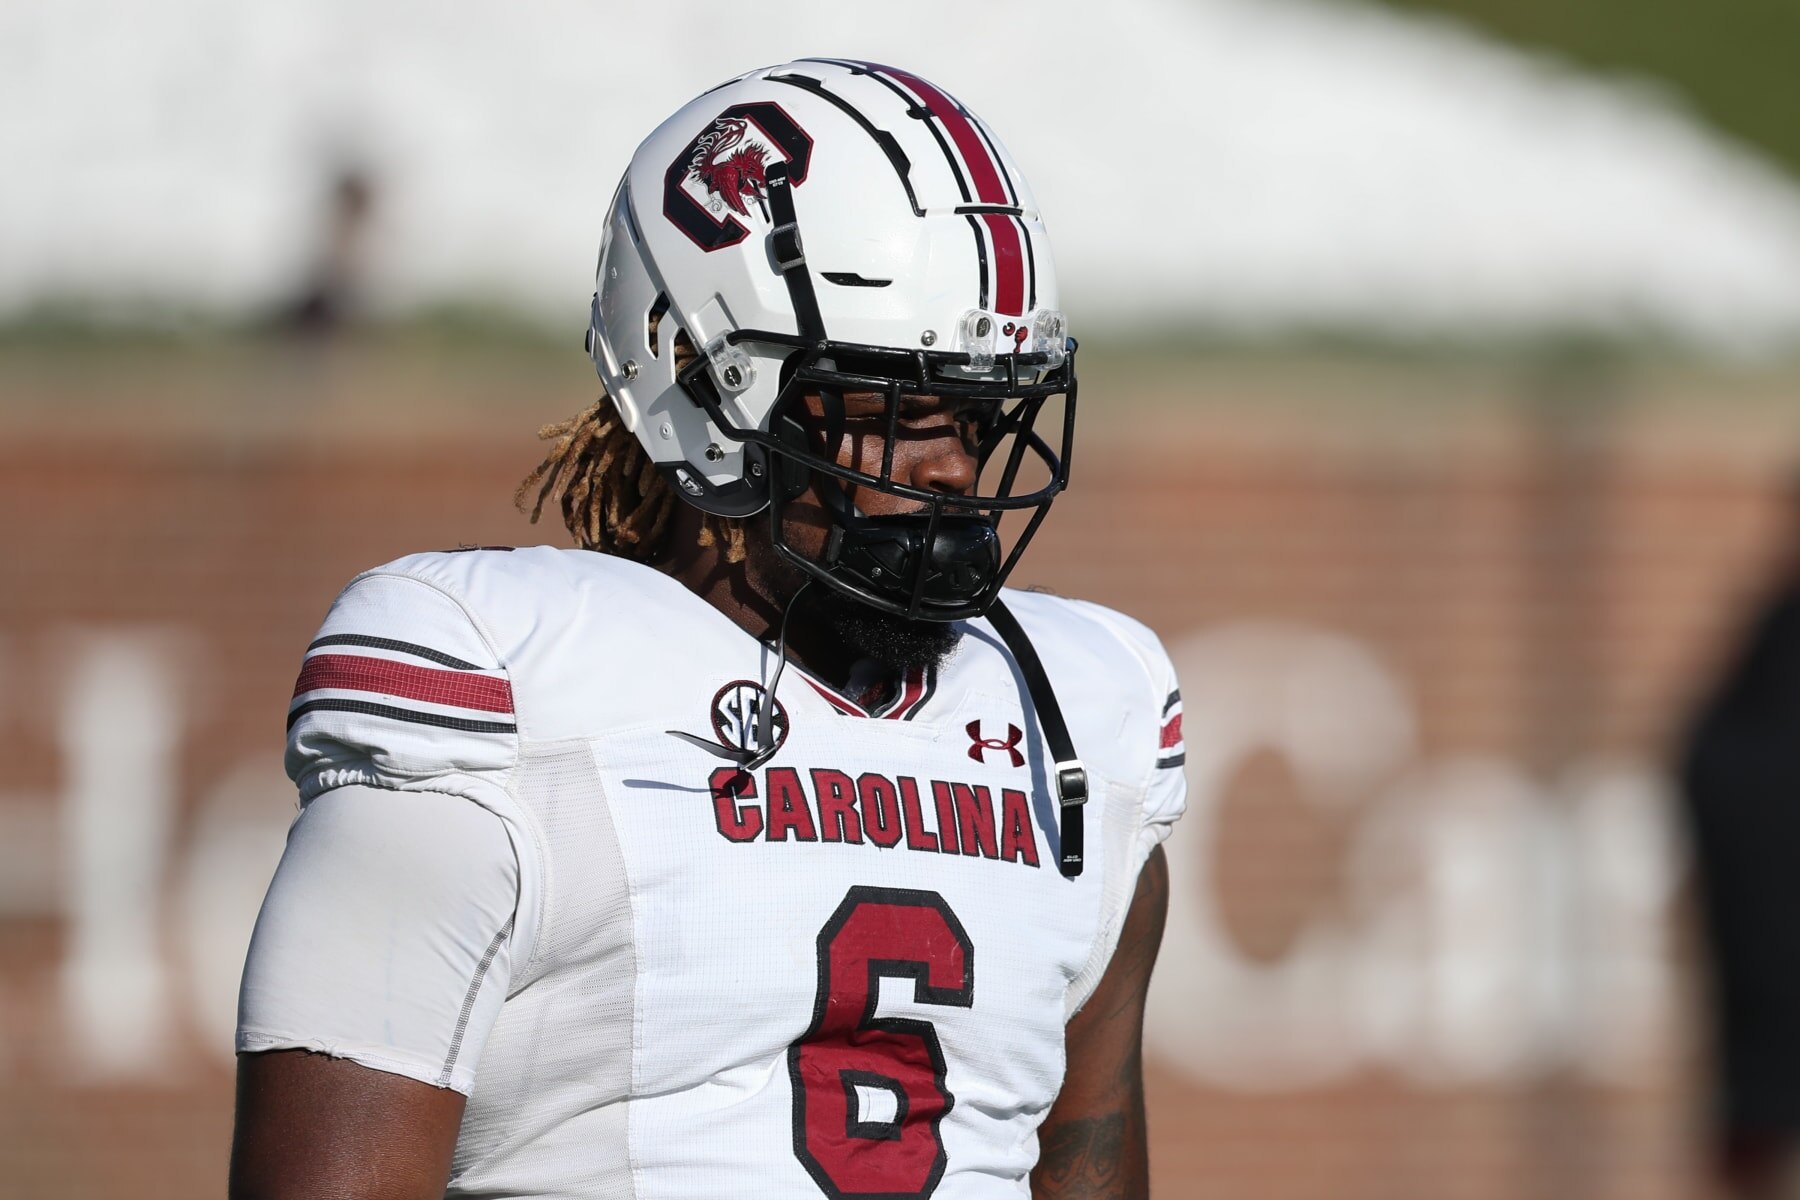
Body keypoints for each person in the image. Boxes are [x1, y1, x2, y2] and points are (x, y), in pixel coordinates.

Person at [230, 59, 1186, 1200]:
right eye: (899, 410)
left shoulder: (1081, 723)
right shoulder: (506, 692)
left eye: (981, 417)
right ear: (704, 391)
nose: (955, 473)